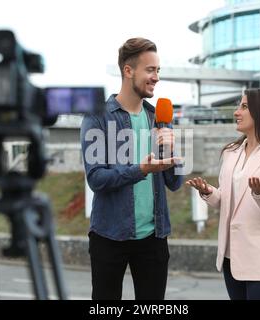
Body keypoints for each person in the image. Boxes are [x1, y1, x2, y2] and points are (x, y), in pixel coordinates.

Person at [80, 37, 183, 300]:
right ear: (128, 71)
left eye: (158, 70)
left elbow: (174, 183)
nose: (156, 77)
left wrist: (173, 152)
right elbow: (96, 179)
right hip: (109, 236)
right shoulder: (97, 117)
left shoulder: (158, 118)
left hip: (153, 237)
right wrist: (140, 169)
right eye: (150, 70)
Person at [186, 88, 260, 300]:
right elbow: (227, 202)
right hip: (231, 256)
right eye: (238, 106)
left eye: (244, 107)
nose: (237, 112)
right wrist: (208, 192)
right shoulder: (230, 152)